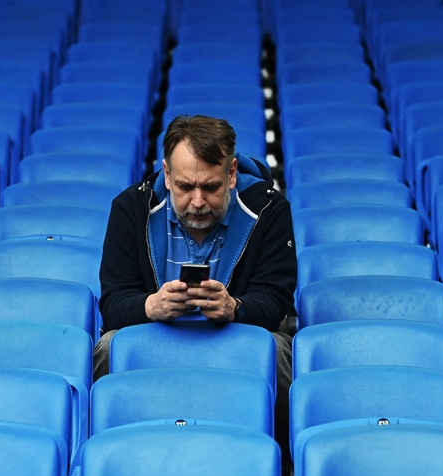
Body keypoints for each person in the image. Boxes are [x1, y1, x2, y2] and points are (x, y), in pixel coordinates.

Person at [92, 114, 296, 383]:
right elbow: (113, 303)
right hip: (154, 337)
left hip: (235, 339)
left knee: (279, 349)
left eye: (211, 187)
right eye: (185, 186)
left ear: (232, 173)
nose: (198, 201)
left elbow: (276, 303)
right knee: (109, 346)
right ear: (167, 175)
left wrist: (235, 308)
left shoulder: (270, 209)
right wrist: (151, 306)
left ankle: (275, 427)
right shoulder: (131, 208)